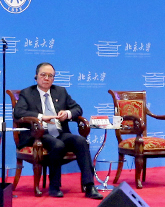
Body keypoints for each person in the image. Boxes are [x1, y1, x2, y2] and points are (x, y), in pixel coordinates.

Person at [12, 62, 104, 199]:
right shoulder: (27, 93)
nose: (46, 78)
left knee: (81, 141)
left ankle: (90, 186)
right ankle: (54, 186)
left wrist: (67, 113)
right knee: (58, 145)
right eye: (43, 75)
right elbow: (18, 113)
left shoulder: (60, 91)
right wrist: (41, 117)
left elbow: (78, 109)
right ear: (36, 76)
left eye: (50, 76)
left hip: (59, 132)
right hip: (38, 134)